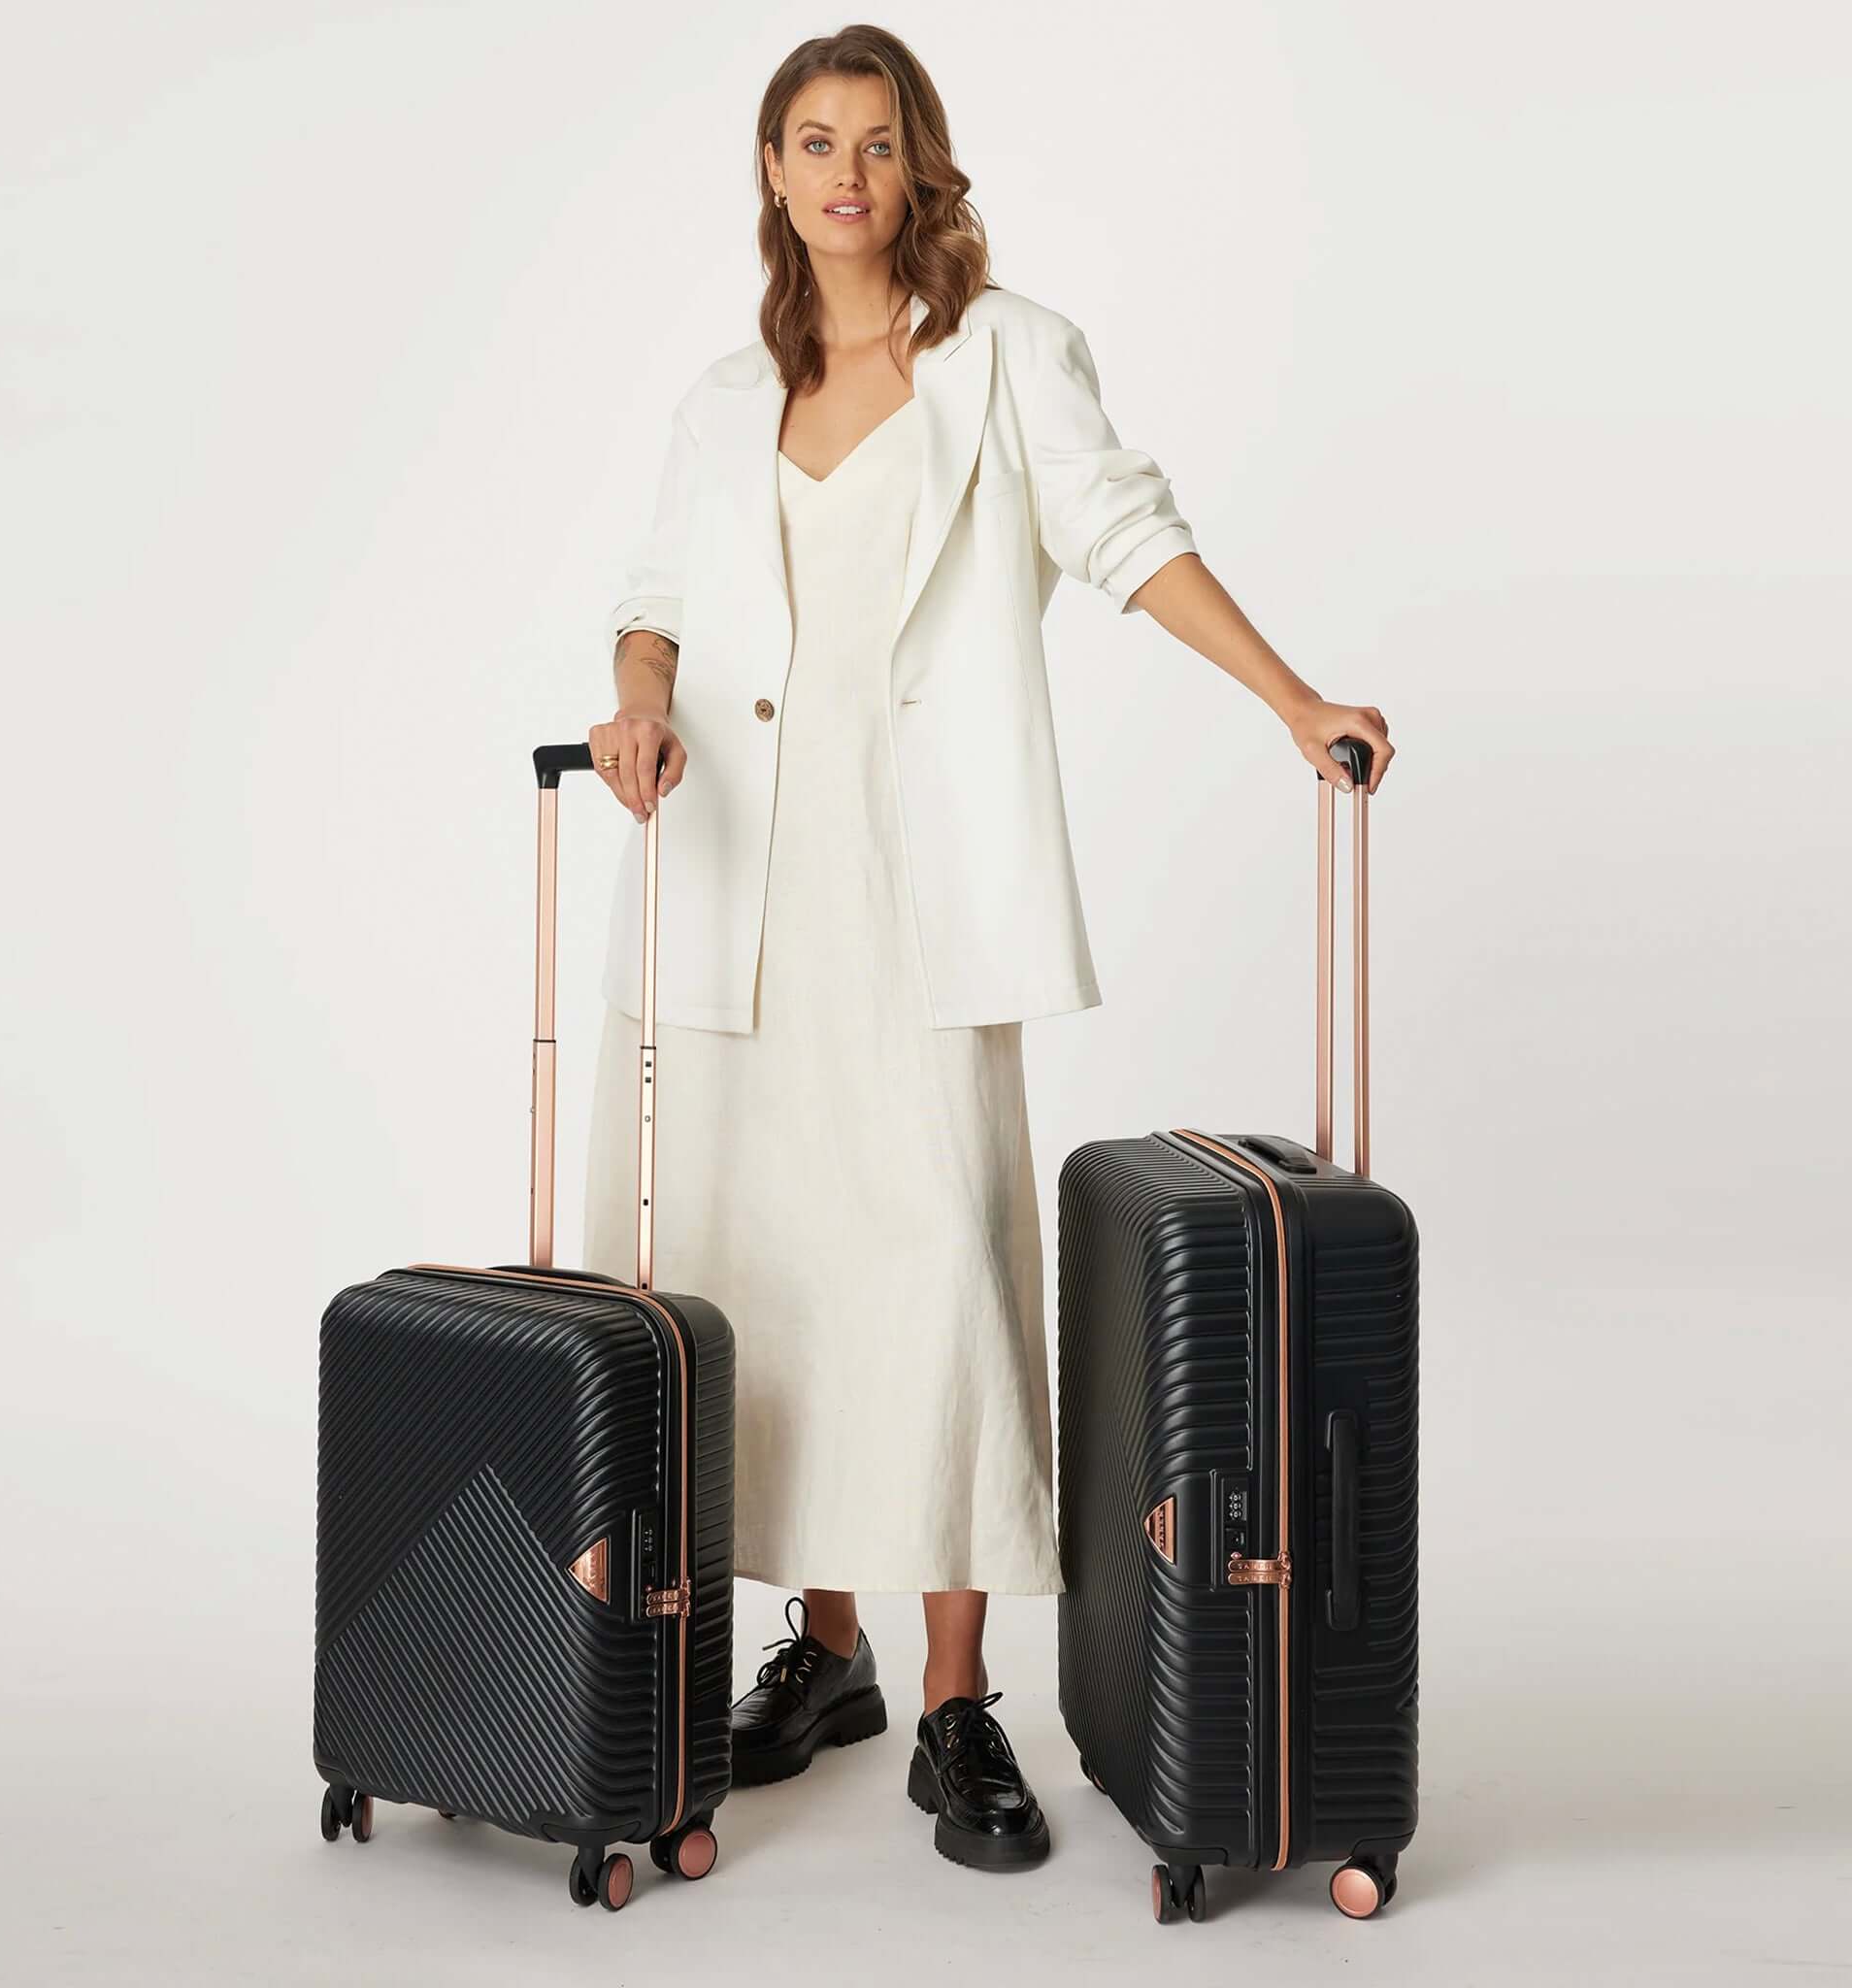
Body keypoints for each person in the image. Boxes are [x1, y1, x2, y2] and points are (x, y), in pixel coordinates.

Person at [580, 26, 1395, 1876]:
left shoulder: (1008, 355)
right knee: (762, 1283)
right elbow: (651, 610)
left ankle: (957, 1702)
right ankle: (835, 1653)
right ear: (773, 173)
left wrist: (1290, 698)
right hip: (735, 895)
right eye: (813, 141)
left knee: (938, 1263)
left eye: (877, 142)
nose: (846, 173)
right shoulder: (723, 398)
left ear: (916, 165)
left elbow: (1125, 531)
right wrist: (633, 712)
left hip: (918, 890)